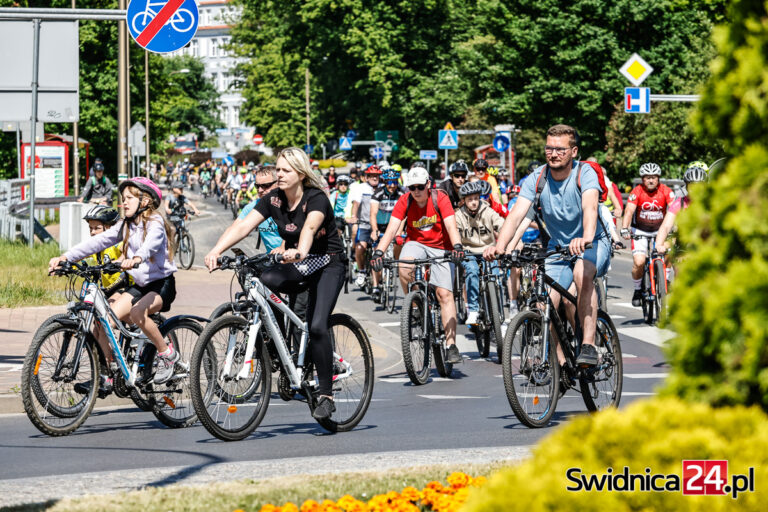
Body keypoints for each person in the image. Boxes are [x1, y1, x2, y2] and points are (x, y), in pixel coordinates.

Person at [204, 147, 345, 420]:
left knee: (317, 325)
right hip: (297, 262)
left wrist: (300, 250)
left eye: (285, 170)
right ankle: (280, 348)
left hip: (328, 262)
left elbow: (310, 228)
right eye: (277, 169)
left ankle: (326, 394)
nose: (279, 174)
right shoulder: (274, 199)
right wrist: (216, 251)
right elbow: (243, 226)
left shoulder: (315, 198)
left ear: (301, 174)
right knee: (263, 280)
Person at [484, 124, 611, 368]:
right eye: (549, 148)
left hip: (592, 241)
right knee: (545, 304)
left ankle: (588, 345)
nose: (553, 154)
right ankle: (562, 363)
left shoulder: (585, 173)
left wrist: (584, 237)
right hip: (558, 246)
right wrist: (499, 246)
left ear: (573, 151)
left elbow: (590, 208)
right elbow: (516, 214)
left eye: (560, 150)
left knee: (581, 274)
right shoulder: (537, 178)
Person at [50, 177, 180, 388]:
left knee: (138, 313)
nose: (124, 202)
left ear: (145, 201)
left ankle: (167, 353)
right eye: (123, 198)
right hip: (139, 286)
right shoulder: (126, 225)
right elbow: (98, 241)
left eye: (129, 198)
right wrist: (66, 257)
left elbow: (150, 246)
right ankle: (109, 373)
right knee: (104, 320)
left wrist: (137, 258)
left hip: (161, 284)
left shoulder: (154, 223)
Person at [370, 166, 465, 364]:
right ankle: (414, 305)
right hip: (416, 243)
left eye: (420, 187)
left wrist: (457, 246)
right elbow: (392, 228)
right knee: (404, 267)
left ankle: (451, 345)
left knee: (444, 294)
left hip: (442, 246)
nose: (416, 191)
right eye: (412, 187)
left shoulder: (441, 198)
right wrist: (379, 252)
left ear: (428, 185)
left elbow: (451, 225)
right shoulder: (405, 200)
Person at [620, 162, 676, 306]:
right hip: (640, 230)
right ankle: (638, 289)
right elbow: (629, 211)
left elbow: (674, 208)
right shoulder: (637, 192)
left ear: (658, 178)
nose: (651, 180)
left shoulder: (666, 191)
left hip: (660, 230)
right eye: (647, 177)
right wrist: (625, 228)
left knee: (670, 250)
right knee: (639, 262)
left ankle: (666, 280)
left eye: (654, 177)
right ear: (642, 179)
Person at [455, 180, 504, 324]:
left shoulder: (488, 211)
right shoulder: (458, 216)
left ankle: (499, 316)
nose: (474, 202)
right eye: (470, 200)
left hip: (488, 251)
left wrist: (504, 243)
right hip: (468, 252)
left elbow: (502, 225)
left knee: (496, 278)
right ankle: (473, 310)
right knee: (472, 270)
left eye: (476, 198)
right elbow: (454, 234)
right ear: (463, 201)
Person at [369, 168, 406, 302]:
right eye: (389, 182)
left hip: (396, 225)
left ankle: (396, 263)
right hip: (380, 226)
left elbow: (404, 216)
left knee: (399, 243)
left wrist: (399, 232)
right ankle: (375, 286)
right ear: (385, 181)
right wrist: (374, 230)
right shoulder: (378, 193)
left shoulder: (402, 193)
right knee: (377, 255)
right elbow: (373, 213)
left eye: (394, 182)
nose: (392, 185)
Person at [654, 165, 708, 254]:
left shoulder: (710, 202)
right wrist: (659, 245)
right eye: (692, 186)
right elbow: (666, 226)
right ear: (686, 186)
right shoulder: (680, 203)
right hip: (683, 246)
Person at [349, 165, 382, 287]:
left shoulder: (383, 188)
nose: (374, 178)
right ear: (367, 177)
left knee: (378, 252)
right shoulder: (361, 188)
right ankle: (361, 271)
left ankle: (379, 280)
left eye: (377, 176)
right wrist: (354, 216)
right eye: (372, 176)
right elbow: (356, 203)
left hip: (379, 226)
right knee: (360, 248)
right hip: (364, 224)